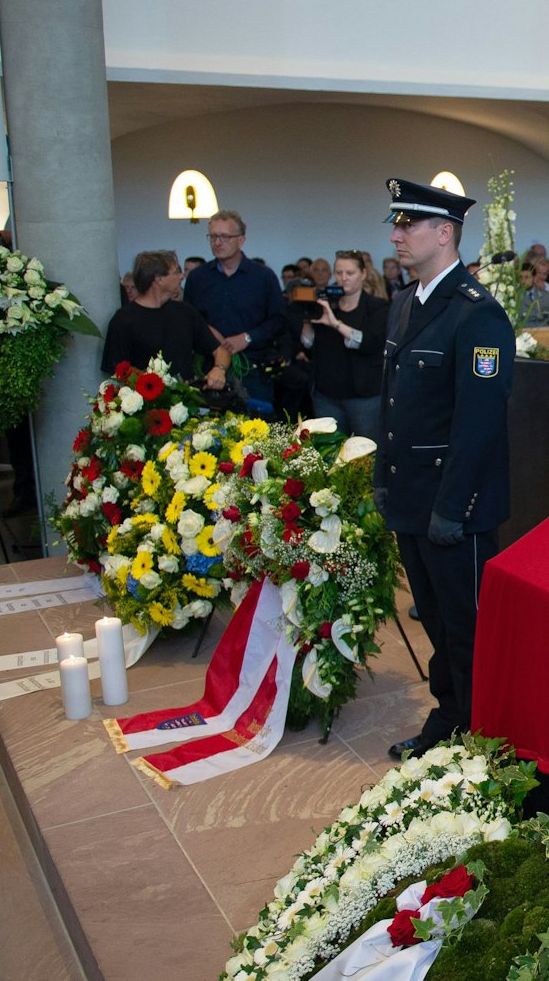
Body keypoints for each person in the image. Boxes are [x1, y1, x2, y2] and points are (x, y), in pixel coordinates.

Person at [375, 178, 515, 762]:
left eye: (409, 224)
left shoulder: (476, 314)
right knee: (434, 617)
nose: (397, 233)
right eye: (396, 223)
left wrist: (449, 509)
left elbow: (478, 425)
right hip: (412, 498)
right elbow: (394, 405)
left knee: (469, 627)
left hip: (454, 505)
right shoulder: (407, 302)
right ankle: (452, 717)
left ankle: (483, 734)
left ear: (444, 232)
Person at [184, 210, 286, 413]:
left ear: (241, 240)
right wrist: (209, 334)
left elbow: (278, 320)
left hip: (252, 368)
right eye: (213, 236)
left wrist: (247, 338)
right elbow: (189, 319)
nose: (218, 242)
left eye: (225, 237)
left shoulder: (263, 277)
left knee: (255, 431)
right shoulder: (198, 278)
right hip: (208, 368)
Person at [101, 250, 232, 387]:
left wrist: (219, 369)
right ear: (158, 279)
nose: (182, 276)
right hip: (144, 403)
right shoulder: (123, 320)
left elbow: (220, 350)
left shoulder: (186, 312)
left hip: (185, 401)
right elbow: (115, 373)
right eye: (176, 272)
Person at [301, 250, 389, 437]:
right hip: (326, 394)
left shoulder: (376, 306)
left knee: (366, 454)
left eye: (350, 273)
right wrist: (307, 320)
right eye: (339, 273)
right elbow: (307, 343)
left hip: (364, 397)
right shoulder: (325, 304)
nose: (344, 278)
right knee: (328, 453)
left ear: (363, 274)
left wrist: (336, 324)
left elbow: (370, 343)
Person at [518, 257, 549, 324]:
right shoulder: (515, 294)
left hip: (545, 330)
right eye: (539, 272)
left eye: (544, 274)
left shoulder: (547, 293)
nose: (540, 276)